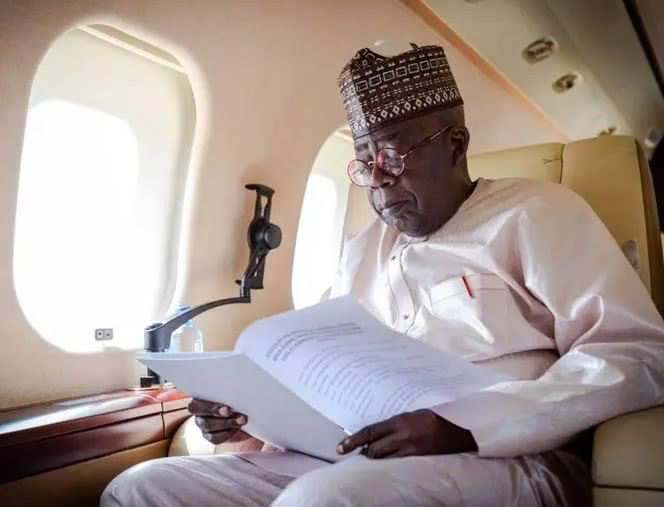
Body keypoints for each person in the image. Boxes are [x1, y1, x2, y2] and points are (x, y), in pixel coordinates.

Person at [102, 43, 664, 507]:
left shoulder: (537, 214)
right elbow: (314, 372)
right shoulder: (361, 250)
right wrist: (246, 416)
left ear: (457, 146)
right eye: (365, 162)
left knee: (322, 501)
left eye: (393, 157)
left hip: (506, 456)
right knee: (143, 488)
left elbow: (635, 353)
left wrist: (465, 425)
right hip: (355, 456)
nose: (377, 180)